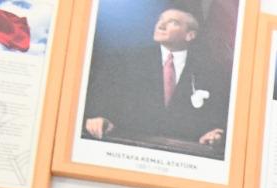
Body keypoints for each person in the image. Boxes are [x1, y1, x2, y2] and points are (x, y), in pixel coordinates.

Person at [82, 7, 227, 150]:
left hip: (183, 152)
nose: (161, 25)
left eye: (173, 22)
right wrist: (99, 117)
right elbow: (104, 100)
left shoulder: (210, 71)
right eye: (160, 20)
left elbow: (218, 118)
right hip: (128, 146)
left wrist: (216, 133)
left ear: (190, 35)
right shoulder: (129, 60)